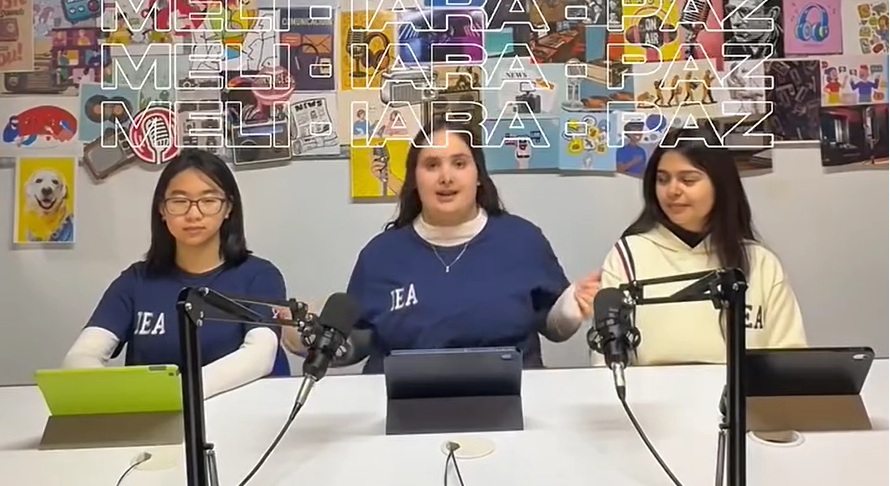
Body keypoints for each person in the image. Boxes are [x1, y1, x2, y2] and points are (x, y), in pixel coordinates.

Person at [308, 120, 599, 373]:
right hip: (401, 405)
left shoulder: (523, 240)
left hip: (511, 399)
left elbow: (552, 327)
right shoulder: (380, 255)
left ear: (479, 176)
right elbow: (358, 341)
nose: (446, 177)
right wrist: (313, 337)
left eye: (459, 164)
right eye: (432, 165)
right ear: (414, 180)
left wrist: (571, 305)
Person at [62, 149, 291, 398]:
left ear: (228, 208)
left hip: (237, 413)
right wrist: (122, 396)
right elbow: (80, 358)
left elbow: (260, 355)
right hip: (154, 415)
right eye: (179, 201)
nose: (193, 214)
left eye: (208, 201)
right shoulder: (135, 281)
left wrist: (178, 394)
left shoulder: (259, 276)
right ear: (162, 209)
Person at [585, 127, 807, 366]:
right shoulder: (629, 256)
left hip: (741, 391)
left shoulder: (761, 263)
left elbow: (790, 362)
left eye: (688, 180)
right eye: (663, 179)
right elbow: (606, 363)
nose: (672, 191)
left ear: (720, 185)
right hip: (649, 391)